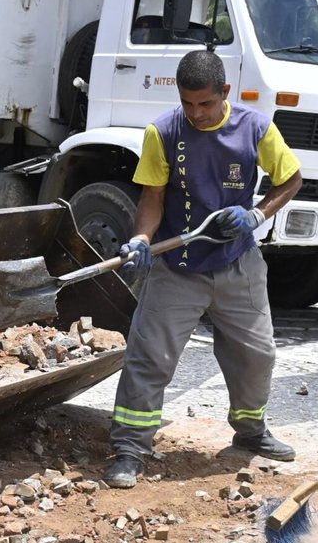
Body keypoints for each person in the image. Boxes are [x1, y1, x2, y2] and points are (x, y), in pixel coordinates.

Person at [104, 49, 304, 489]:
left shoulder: (255, 129)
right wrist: (141, 239)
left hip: (239, 264)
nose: (195, 113)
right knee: (149, 357)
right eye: (188, 103)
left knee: (257, 355)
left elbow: (291, 178)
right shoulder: (163, 131)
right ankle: (129, 448)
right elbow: (152, 199)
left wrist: (257, 215)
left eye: (205, 104)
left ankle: (251, 431)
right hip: (177, 268)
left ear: (224, 93)